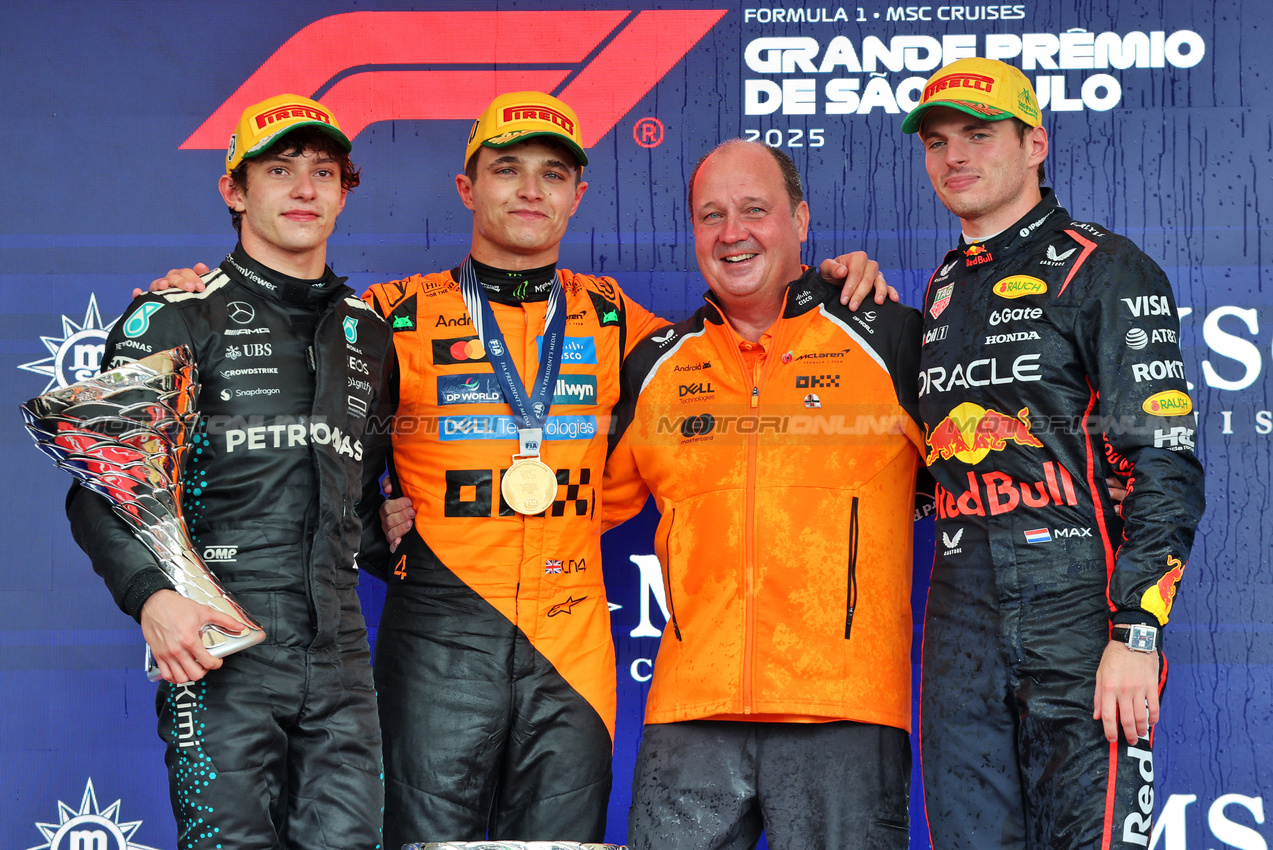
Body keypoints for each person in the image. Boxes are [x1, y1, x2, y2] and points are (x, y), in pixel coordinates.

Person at [156, 91, 890, 845]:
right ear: (467, 189)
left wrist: (829, 287)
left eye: (552, 172)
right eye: (507, 169)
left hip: (572, 650)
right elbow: (306, 426)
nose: (531, 190)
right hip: (436, 641)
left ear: (578, 195)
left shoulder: (622, 322)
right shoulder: (390, 315)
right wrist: (194, 298)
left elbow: (748, 334)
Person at [66, 94, 392, 849]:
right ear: (235, 191)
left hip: (341, 654)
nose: (305, 189)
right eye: (279, 170)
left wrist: (389, 529)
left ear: (346, 189)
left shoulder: (370, 333)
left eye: (323, 172)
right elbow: (99, 489)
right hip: (220, 644)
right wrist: (151, 597)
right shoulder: (173, 317)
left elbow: (358, 502)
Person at [900, 58, 1205, 847]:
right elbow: (932, 470)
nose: (954, 157)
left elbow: (1163, 463)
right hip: (960, 616)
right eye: (936, 142)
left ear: (1034, 143)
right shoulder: (940, 289)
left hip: (1078, 614)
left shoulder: (1104, 268)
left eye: (977, 134)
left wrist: (1134, 635)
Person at [602, 139, 924, 849]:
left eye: (754, 209)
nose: (731, 232)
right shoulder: (654, 364)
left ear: (800, 220)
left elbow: (982, 486)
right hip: (689, 714)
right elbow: (574, 509)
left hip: (844, 712)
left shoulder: (892, 338)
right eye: (710, 215)